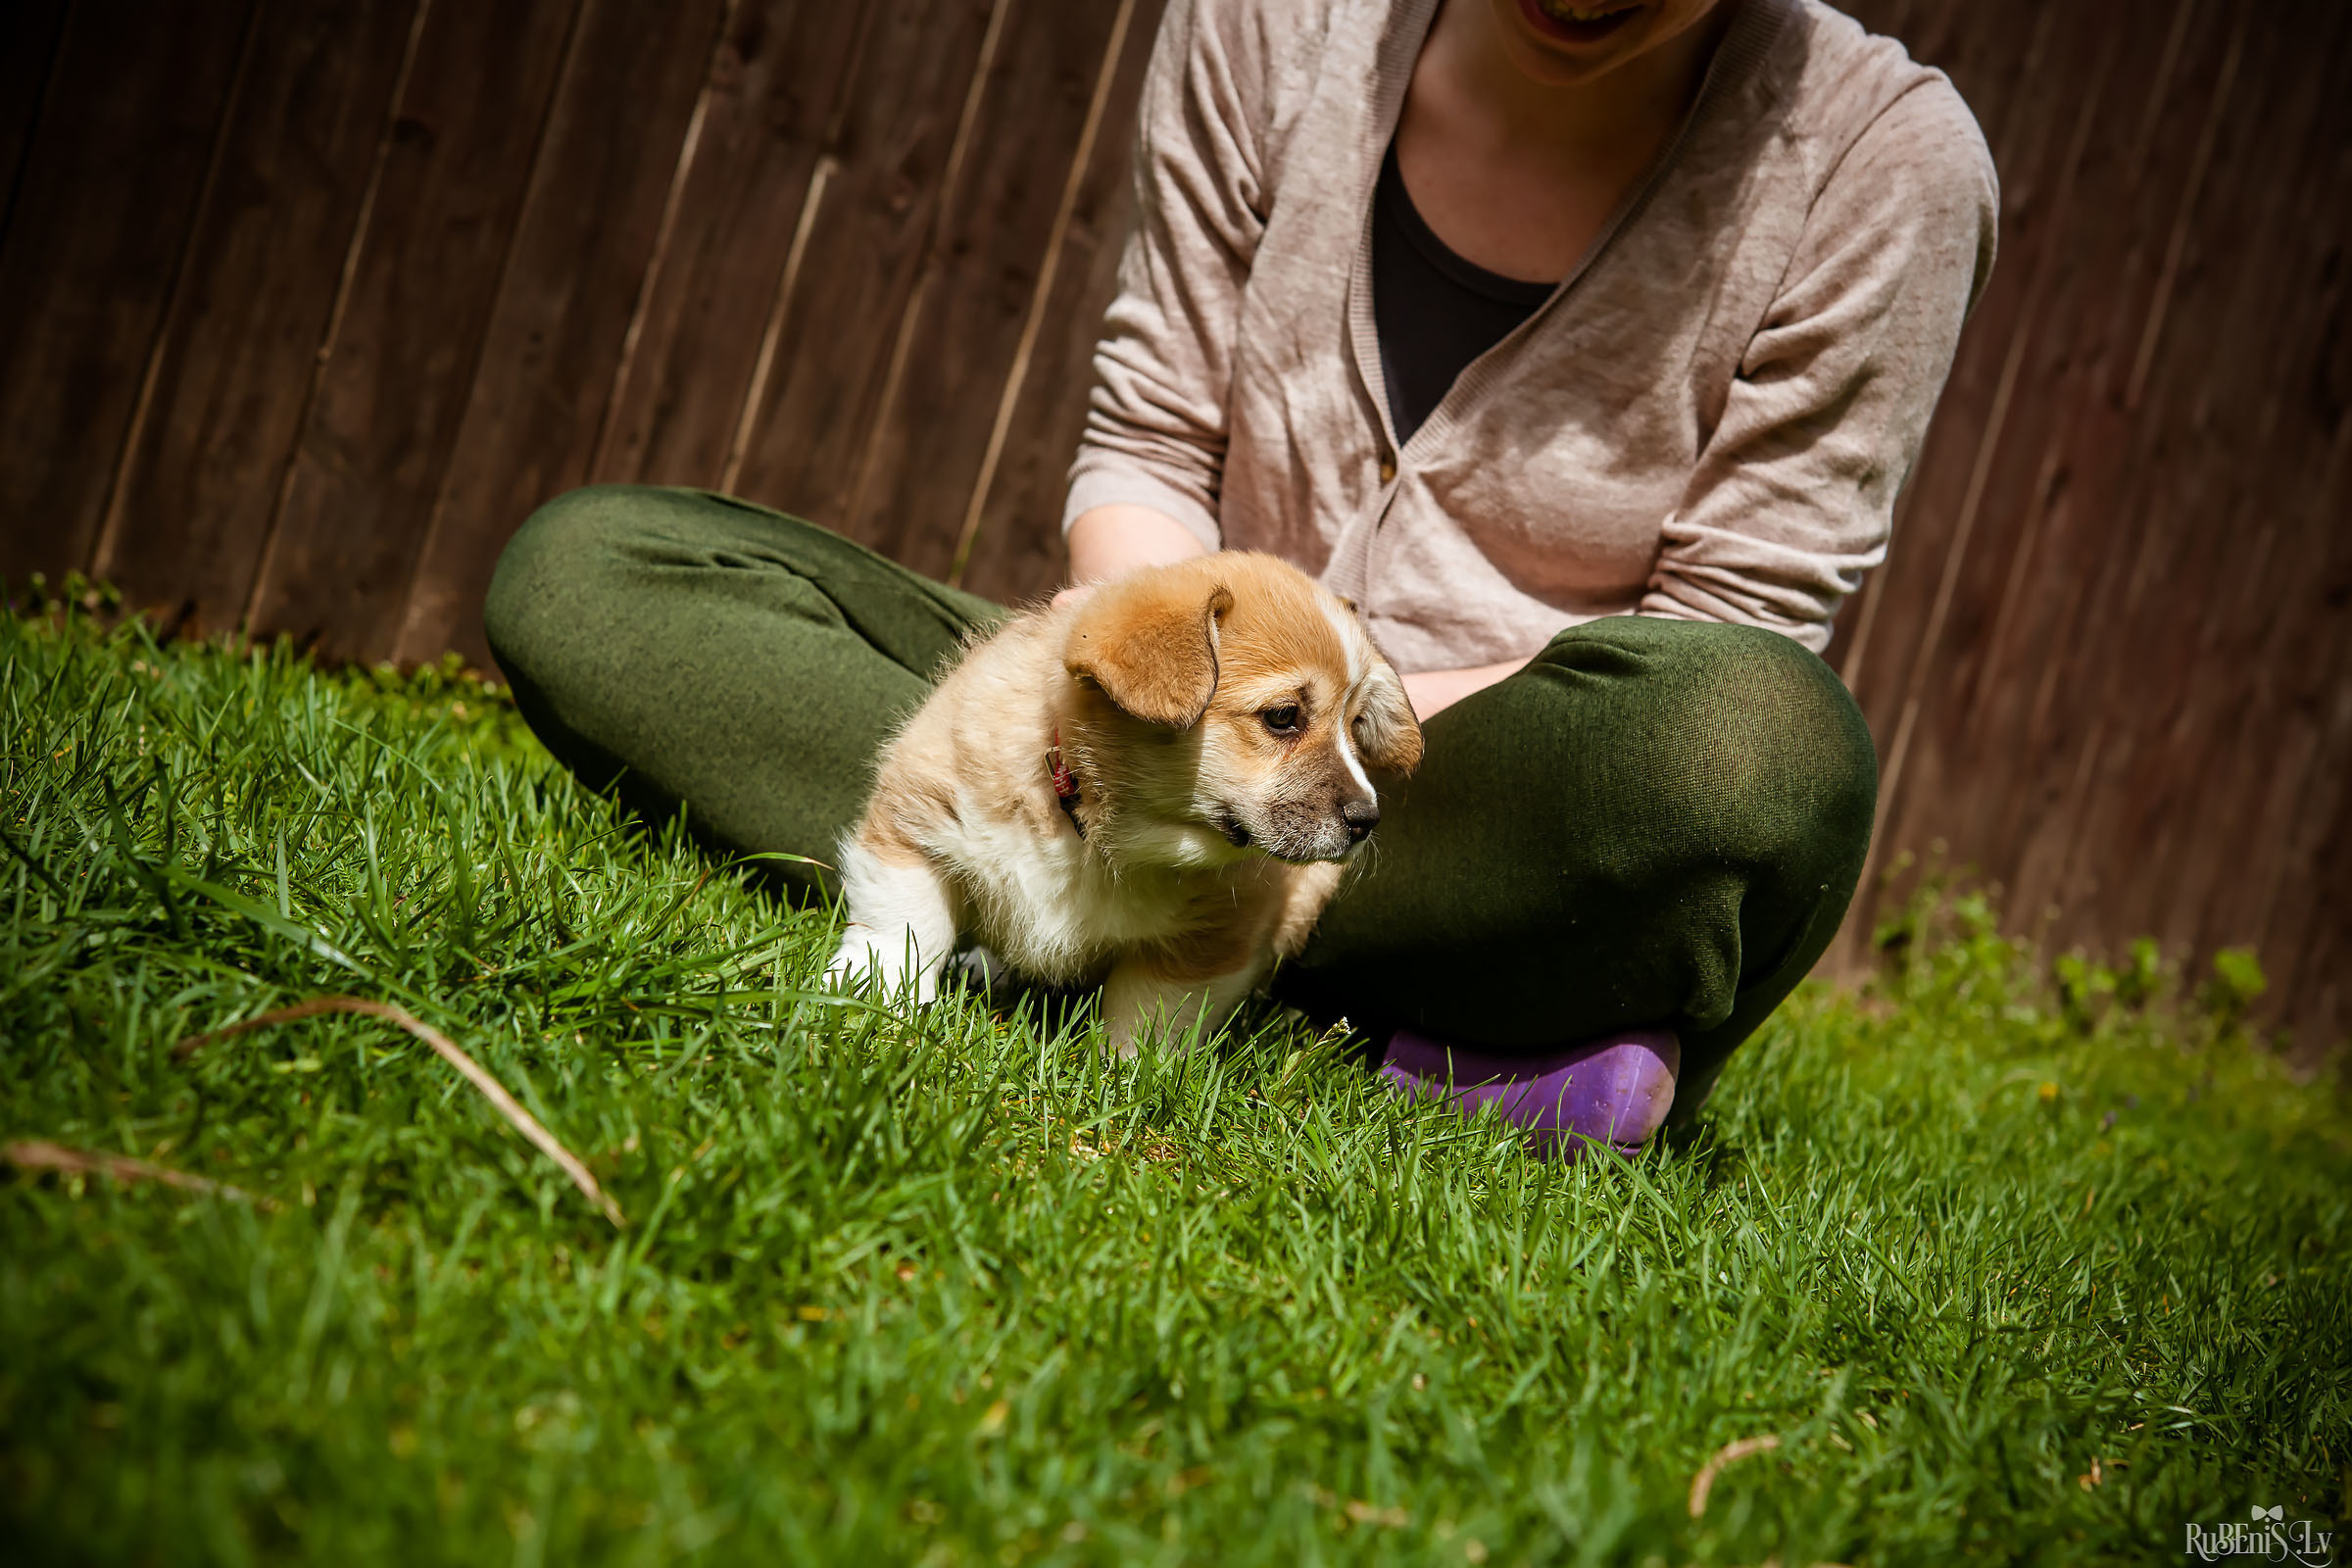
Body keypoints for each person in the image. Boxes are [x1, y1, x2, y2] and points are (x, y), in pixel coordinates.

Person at [483, 0, 1996, 1155]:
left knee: (1757, 742)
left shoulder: (1881, 169)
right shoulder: (1276, 19)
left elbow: (1733, 622)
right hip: (1154, 702)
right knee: (599, 569)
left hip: (1468, 790)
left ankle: (1131, 924)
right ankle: (1411, 1032)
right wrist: (1121, 722)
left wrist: (1322, 740)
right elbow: (1148, 433)